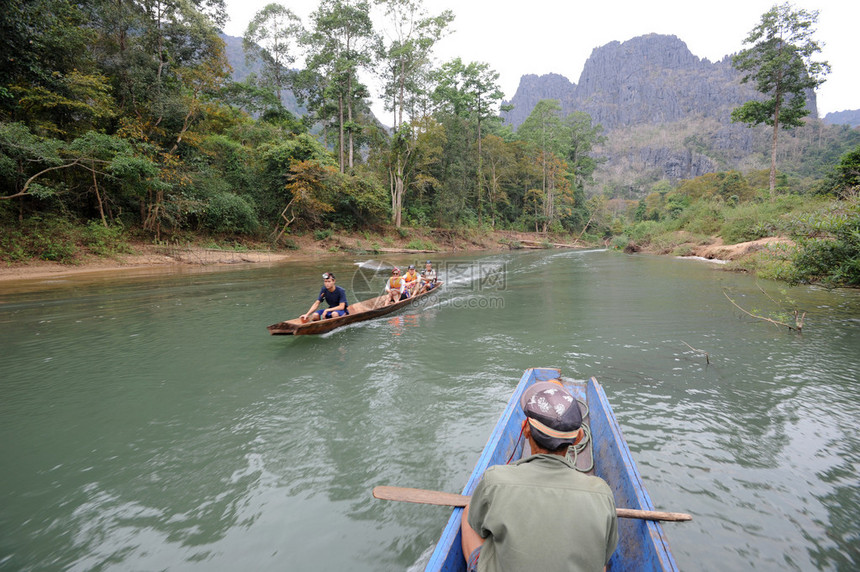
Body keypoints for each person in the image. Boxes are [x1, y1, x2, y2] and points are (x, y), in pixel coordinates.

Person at [461, 380, 618, 572]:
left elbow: (478, 526)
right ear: (578, 438)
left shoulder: (494, 480)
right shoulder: (601, 492)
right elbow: (605, 555)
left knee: (469, 511)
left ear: (525, 428)